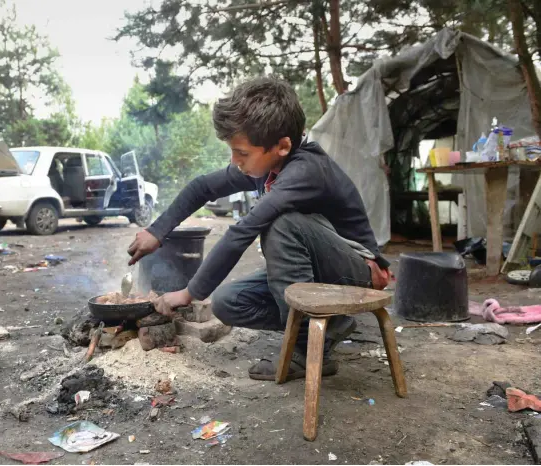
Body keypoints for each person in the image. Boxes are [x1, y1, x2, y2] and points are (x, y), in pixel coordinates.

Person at [128, 76, 391, 381]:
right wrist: (157, 231)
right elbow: (202, 188)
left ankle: (305, 352)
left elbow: (245, 229)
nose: (234, 161)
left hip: (357, 272)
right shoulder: (266, 165)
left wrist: (188, 293)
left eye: (241, 153)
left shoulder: (306, 170)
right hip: (319, 271)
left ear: (282, 146)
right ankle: (328, 325)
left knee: (280, 224)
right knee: (227, 303)